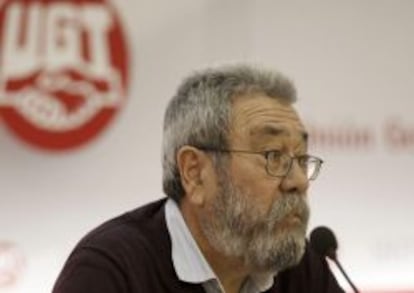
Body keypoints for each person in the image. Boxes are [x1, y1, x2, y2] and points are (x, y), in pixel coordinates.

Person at [52, 64, 344, 293]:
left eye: (301, 158)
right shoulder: (111, 270)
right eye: (273, 156)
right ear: (195, 173)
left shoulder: (298, 267)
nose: (299, 182)